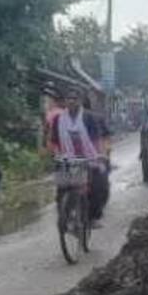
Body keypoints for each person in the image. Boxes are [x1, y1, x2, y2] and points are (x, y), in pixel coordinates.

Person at [48, 89, 110, 221]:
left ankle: (93, 217)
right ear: (65, 101)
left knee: (99, 185)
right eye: (68, 98)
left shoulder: (89, 117)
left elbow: (96, 140)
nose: (71, 101)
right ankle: (63, 216)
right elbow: (54, 141)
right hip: (67, 158)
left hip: (89, 158)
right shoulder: (59, 119)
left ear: (80, 101)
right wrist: (56, 155)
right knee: (63, 187)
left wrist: (101, 155)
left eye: (74, 98)